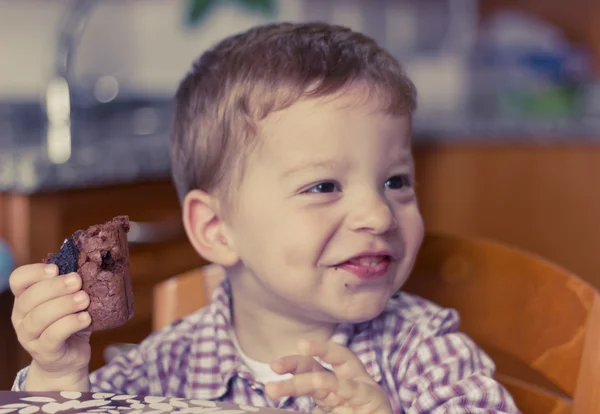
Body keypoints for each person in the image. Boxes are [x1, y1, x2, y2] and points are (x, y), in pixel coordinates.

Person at [10, 22, 520, 413]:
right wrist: (57, 375)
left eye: (396, 182)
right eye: (324, 186)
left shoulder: (428, 354)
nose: (377, 214)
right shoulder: (164, 366)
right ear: (216, 229)